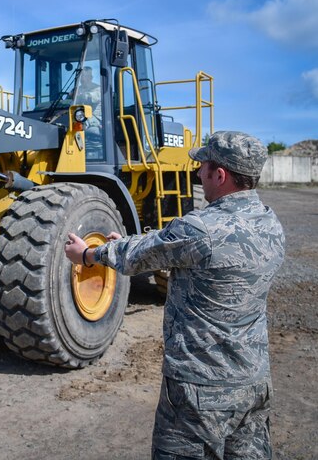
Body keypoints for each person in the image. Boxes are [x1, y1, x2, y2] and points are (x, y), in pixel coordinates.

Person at [64, 131, 284, 460]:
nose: (197, 174)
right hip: (253, 382)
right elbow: (178, 251)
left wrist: (88, 255)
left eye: (203, 167)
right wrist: (134, 241)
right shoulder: (271, 224)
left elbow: (144, 255)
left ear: (220, 175)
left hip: (200, 391)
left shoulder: (201, 228)